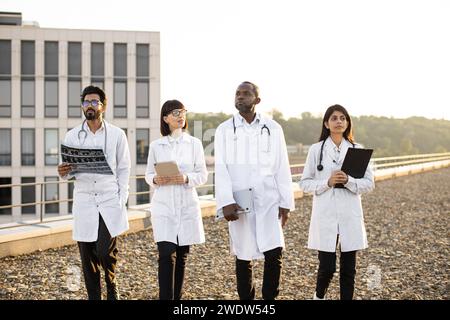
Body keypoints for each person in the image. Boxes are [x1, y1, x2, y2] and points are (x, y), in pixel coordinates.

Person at [214, 81, 295, 300]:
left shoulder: (273, 128)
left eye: (246, 94)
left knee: (274, 252)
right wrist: (225, 201)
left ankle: (269, 301)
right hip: (240, 202)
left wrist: (286, 202)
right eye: (237, 94)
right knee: (243, 255)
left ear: (257, 100)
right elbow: (221, 168)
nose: (240, 97)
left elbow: (281, 166)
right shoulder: (224, 130)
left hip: (269, 199)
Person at [57, 85, 130, 300]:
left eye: (94, 102)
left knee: (105, 250)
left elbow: (124, 168)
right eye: (86, 102)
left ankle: (111, 281)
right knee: (87, 254)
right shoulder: (72, 136)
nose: (90, 105)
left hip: (109, 199)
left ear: (103, 106)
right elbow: (66, 169)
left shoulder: (117, 134)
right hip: (85, 201)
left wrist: (121, 199)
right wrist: (63, 171)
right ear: (82, 106)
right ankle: (94, 296)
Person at [299, 104, 374, 300]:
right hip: (326, 214)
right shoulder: (316, 150)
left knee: (349, 270)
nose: (339, 121)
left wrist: (349, 181)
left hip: (350, 213)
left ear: (348, 122)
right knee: (327, 267)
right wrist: (327, 182)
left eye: (343, 118)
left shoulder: (358, 150)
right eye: (334, 118)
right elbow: (304, 183)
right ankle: (318, 296)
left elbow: (369, 183)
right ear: (326, 123)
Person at [145, 100, 208, 300]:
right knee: (165, 254)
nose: (181, 115)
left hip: (186, 205)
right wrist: (155, 179)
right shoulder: (156, 145)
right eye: (175, 112)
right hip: (163, 206)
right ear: (165, 118)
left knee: (181, 257)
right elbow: (148, 174)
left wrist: (186, 178)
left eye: (183, 112)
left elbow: (203, 174)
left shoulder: (194, 144)